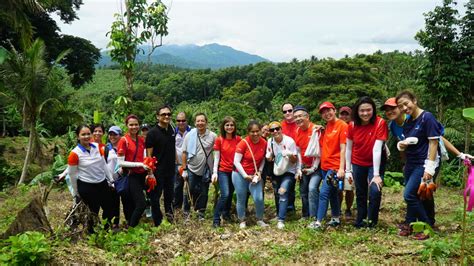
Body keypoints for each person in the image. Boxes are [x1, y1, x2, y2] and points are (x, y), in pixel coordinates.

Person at [382, 97, 473, 229]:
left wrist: (459, 154)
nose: (390, 112)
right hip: (412, 162)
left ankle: (426, 224)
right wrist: (404, 163)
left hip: (427, 161)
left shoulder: (418, 118)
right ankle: (415, 222)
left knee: (414, 193)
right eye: (387, 110)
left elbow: (438, 139)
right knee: (420, 192)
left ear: (401, 108)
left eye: (393, 108)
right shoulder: (394, 126)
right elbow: (403, 145)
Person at [395, 91, 443, 240]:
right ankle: (410, 223)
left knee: (409, 195)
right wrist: (401, 146)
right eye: (400, 106)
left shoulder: (427, 118)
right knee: (418, 195)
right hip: (411, 163)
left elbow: (434, 142)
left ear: (414, 100)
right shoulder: (409, 121)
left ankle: (426, 226)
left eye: (406, 103)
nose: (404, 107)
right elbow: (409, 141)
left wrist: (429, 168)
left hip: (423, 163)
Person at [345, 97, 388, 228]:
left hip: (376, 164)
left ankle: (372, 222)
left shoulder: (380, 123)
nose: (365, 113)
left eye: (368, 110)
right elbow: (348, 148)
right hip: (358, 162)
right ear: (357, 112)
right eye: (362, 110)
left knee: (375, 191)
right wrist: (348, 170)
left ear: (373, 110)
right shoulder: (352, 125)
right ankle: (360, 220)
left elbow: (377, 149)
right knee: (361, 192)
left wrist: (376, 175)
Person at [67, 124, 114, 232]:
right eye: (83, 134)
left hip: (101, 183)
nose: (87, 136)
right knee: (93, 211)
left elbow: (104, 165)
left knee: (109, 208)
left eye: (88, 134)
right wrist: (76, 192)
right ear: (78, 136)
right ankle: (91, 233)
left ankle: (106, 229)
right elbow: (72, 175)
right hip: (87, 185)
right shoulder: (74, 153)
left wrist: (111, 180)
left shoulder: (98, 147)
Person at [312, 101, 348, 229]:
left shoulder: (342, 125)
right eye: (323, 112)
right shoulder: (327, 127)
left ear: (334, 110)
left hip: (334, 167)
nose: (327, 114)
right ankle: (336, 218)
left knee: (323, 193)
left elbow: (343, 148)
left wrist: (341, 168)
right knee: (332, 193)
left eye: (329, 110)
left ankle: (318, 222)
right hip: (324, 166)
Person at [116, 115, 151, 227]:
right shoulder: (123, 140)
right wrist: (140, 164)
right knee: (141, 204)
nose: (134, 127)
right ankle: (131, 227)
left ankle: (132, 224)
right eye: (131, 124)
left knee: (137, 202)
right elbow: (120, 162)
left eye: (136, 124)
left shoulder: (141, 139)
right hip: (132, 175)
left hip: (142, 174)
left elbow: (145, 155)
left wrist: (149, 170)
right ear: (127, 125)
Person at [233, 120, 268, 228]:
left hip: (255, 175)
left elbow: (263, 159)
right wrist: (244, 175)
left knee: (258, 198)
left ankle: (259, 218)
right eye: (252, 132)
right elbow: (236, 161)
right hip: (240, 174)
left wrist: (260, 171)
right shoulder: (243, 143)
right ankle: (242, 220)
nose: (255, 134)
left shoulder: (264, 143)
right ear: (248, 132)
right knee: (241, 197)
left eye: (257, 131)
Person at [182, 113, 217, 220]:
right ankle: (186, 214)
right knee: (189, 191)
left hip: (206, 170)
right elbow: (184, 153)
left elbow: (219, 151)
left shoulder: (213, 136)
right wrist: (184, 169)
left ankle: (200, 213)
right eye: (198, 121)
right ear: (195, 123)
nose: (200, 123)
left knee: (204, 192)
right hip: (192, 168)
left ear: (206, 122)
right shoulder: (189, 135)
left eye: (202, 121)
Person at [146, 106, 177, 226]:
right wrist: (150, 173)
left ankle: (170, 218)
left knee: (169, 196)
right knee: (155, 198)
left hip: (170, 170)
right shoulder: (152, 133)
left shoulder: (172, 130)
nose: (167, 116)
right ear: (158, 116)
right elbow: (149, 155)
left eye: (169, 114)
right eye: (164, 114)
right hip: (157, 171)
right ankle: (157, 221)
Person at [266, 121, 299, 229]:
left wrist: (289, 154)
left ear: (281, 129)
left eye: (277, 129)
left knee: (283, 192)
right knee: (277, 193)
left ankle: (281, 219)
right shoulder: (270, 141)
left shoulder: (289, 141)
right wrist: (269, 157)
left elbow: (295, 160)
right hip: (277, 170)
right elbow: (270, 158)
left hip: (289, 171)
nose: (275, 131)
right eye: (272, 130)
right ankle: (280, 213)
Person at [293, 106, 322, 221]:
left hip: (316, 166)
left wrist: (314, 168)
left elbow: (320, 151)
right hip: (304, 166)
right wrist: (299, 168)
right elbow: (299, 150)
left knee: (312, 188)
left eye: (300, 116)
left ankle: (314, 216)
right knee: (303, 191)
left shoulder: (315, 129)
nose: (298, 119)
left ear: (307, 117)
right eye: (295, 117)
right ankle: (306, 215)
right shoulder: (297, 131)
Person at [212, 116, 241, 227]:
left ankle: (226, 214)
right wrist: (215, 172)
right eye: (227, 125)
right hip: (223, 170)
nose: (229, 127)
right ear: (223, 127)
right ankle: (216, 219)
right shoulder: (219, 139)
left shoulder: (238, 139)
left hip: (234, 171)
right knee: (225, 194)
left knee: (230, 194)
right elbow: (217, 158)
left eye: (232, 125)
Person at [103, 125, 123, 228]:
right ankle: (107, 224)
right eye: (110, 134)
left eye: (115, 134)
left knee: (117, 202)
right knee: (109, 202)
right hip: (109, 180)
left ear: (120, 135)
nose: (112, 137)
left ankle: (116, 223)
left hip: (120, 179)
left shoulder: (123, 147)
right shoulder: (106, 148)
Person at [338, 106, 355, 218]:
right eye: (342, 114)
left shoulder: (353, 127)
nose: (344, 116)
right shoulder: (335, 126)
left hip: (350, 162)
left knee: (349, 188)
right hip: (338, 161)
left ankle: (348, 209)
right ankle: (338, 208)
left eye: (346, 114)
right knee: (338, 188)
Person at [280, 103, 297, 212]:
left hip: (299, 158)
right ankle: (287, 207)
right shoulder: (280, 126)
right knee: (286, 184)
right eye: (285, 111)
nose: (287, 113)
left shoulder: (299, 123)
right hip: (285, 160)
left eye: (290, 110)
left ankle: (293, 207)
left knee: (297, 186)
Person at [174, 112, 191, 210]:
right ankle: (177, 209)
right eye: (179, 120)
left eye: (183, 120)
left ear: (186, 121)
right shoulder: (173, 132)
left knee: (188, 188)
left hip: (190, 165)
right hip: (177, 164)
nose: (181, 122)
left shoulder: (192, 131)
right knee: (177, 187)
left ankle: (187, 209)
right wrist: (177, 163)